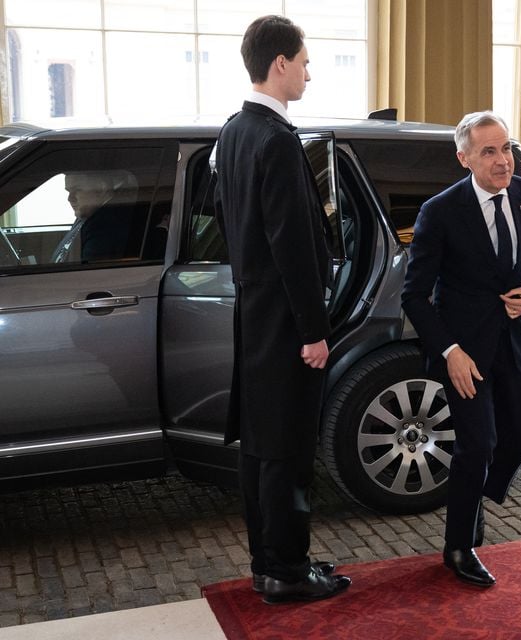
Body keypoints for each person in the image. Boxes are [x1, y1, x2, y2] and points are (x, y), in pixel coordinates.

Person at [213, 14, 350, 605]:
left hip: (253, 313)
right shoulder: (276, 138)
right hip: (289, 323)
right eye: (304, 62)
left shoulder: (231, 131)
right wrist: (314, 331)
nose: (309, 74)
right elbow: (294, 246)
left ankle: (267, 562)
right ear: (279, 65)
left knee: (262, 447)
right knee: (290, 449)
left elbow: (222, 219)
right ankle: (289, 573)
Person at [401, 111, 521, 587]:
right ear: (464, 158)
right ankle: (458, 546)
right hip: (464, 353)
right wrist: (449, 351)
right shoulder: (440, 211)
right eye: (489, 151)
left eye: (506, 148)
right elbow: (414, 295)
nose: (502, 160)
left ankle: (473, 498)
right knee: (477, 446)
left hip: (515, 345)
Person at [53, 171, 139, 263]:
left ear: (101, 189)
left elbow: (88, 273)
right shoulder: (89, 214)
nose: (70, 198)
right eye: (69, 191)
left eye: (77, 190)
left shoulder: (105, 226)